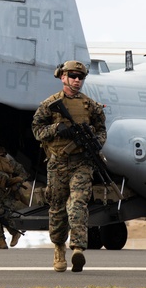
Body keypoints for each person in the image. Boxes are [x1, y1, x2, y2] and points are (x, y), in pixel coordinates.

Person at [31, 60, 106, 273]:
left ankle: (78, 248)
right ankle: (58, 248)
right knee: (56, 208)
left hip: (81, 163)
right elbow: (37, 131)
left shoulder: (91, 106)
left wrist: (96, 142)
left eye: (80, 77)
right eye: (73, 76)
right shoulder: (50, 104)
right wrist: (57, 128)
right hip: (57, 163)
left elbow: (102, 130)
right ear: (63, 77)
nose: (77, 80)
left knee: (78, 204)